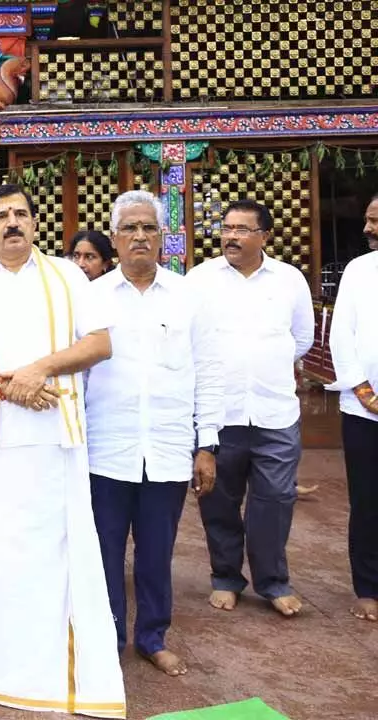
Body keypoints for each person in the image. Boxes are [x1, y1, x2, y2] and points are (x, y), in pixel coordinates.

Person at [0, 184, 124, 717]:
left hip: (55, 441)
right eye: (2, 217)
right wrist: (8, 387)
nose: (12, 223)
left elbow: (99, 344)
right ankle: (2, 668)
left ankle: (57, 668)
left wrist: (39, 370)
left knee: (58, 552)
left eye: (21, 214)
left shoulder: (69, 276)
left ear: (35, 224)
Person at [86, 191, 224, 677]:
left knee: (156, 551)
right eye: (129, 228)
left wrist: (206, 444)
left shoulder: (189, 297)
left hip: (165, 449)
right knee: (102, 550)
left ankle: (151, 637)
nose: (139, 236)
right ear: (115, 238)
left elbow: (208, 372)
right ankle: (107, 638)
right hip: (104, 449)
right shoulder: (91, 296)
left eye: (148, 228)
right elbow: (77, 376)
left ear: (162, 237)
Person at [186, 199, 314, 618]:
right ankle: (226, 577)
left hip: (274, 412)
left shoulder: (290, 280)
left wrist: (262, 364)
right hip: (219, 414)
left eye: (242, 229)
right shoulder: (199, 280)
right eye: (226, 228)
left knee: (275, 499)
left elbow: (302, 339)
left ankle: (273, 581)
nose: (231, 236)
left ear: (265, 237)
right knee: (219, 500)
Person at [325, 192, 378, 622]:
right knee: (367, 500)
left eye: (375, 220)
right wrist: (365, 393)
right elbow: (341, 335)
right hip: (366, 411)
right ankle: (368, 588)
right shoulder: (359, 271)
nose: (367, 229)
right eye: (366, 219)